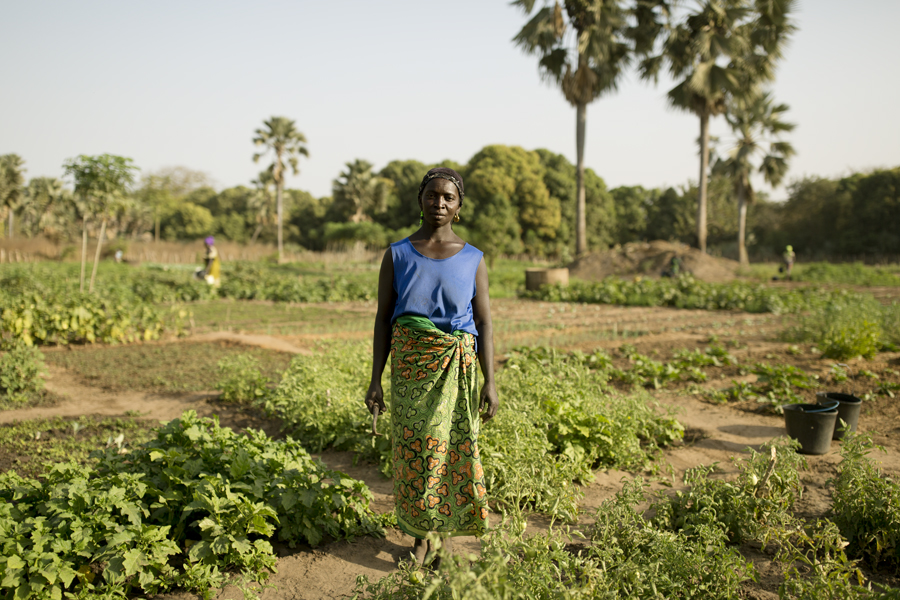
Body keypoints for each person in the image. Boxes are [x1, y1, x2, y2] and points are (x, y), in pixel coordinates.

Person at [364, 167, 498, 568]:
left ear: (459, 207)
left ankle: (442, 538)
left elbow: (485, 322)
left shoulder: (474, 259)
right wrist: (375, 379)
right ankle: (420, 536)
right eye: (432, 195)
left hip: (457, 368)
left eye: (448, 198)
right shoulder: (398, 253)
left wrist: (491, 381)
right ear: (420, 199)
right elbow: (382, 319)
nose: (439, 203)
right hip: (411, 368)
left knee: (452, 451)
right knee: (416, 452)